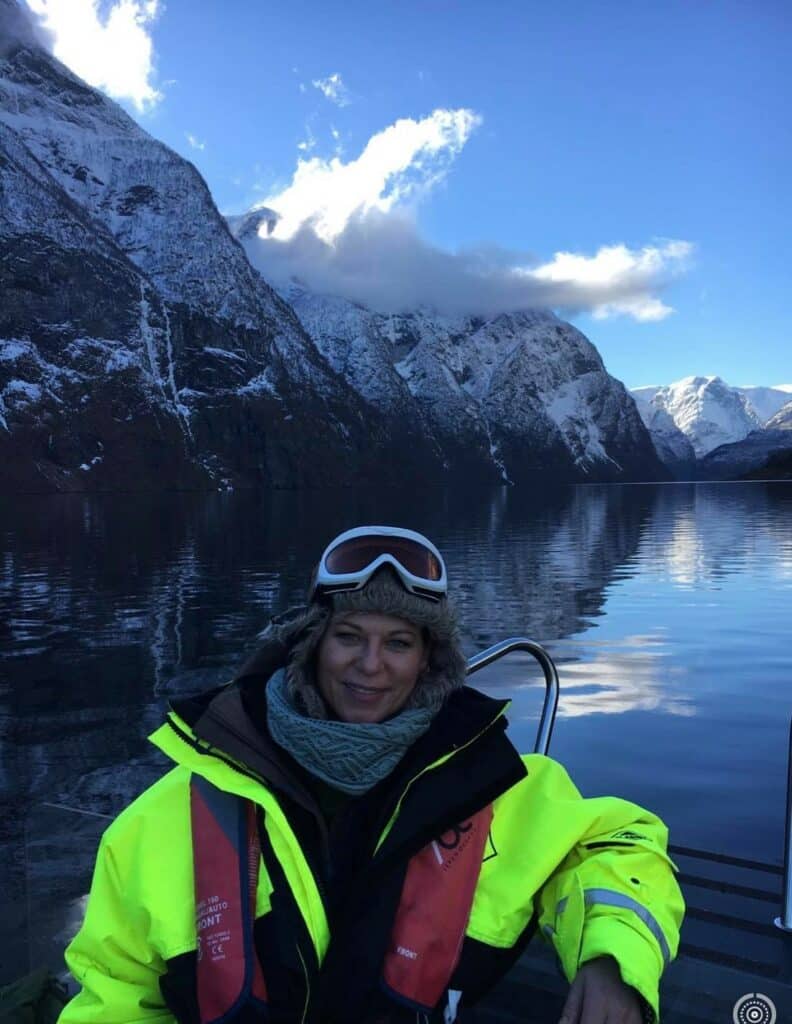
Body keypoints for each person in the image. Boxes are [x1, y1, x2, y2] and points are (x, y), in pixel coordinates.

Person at [59, 525, 684, 1024]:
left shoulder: (496, 785)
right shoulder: (169, 814)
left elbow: (616, 845)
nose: (370, 666)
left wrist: (613, 961)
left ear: (429, 662)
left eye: (399, 643)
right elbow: (114, 994)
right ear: (311, 646)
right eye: (348, 636)